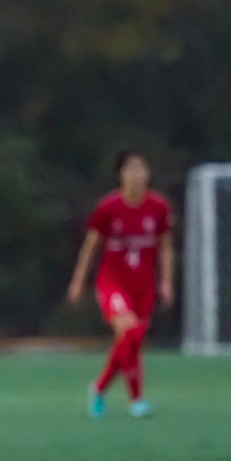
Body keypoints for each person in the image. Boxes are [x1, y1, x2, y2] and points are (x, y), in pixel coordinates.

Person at [67, 150, 175, 418]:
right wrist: (78, 281)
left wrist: (166, 281)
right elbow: (90, 246)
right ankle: (137, 400)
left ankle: (98, 388)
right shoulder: (108, 207)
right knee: (129, 330)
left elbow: (165, 247)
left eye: (141, 168)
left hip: (144, 284)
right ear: (120, 174)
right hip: (113, 282)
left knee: (132, 340)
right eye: (131, 169)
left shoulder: (158, 207)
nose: (137, 175)